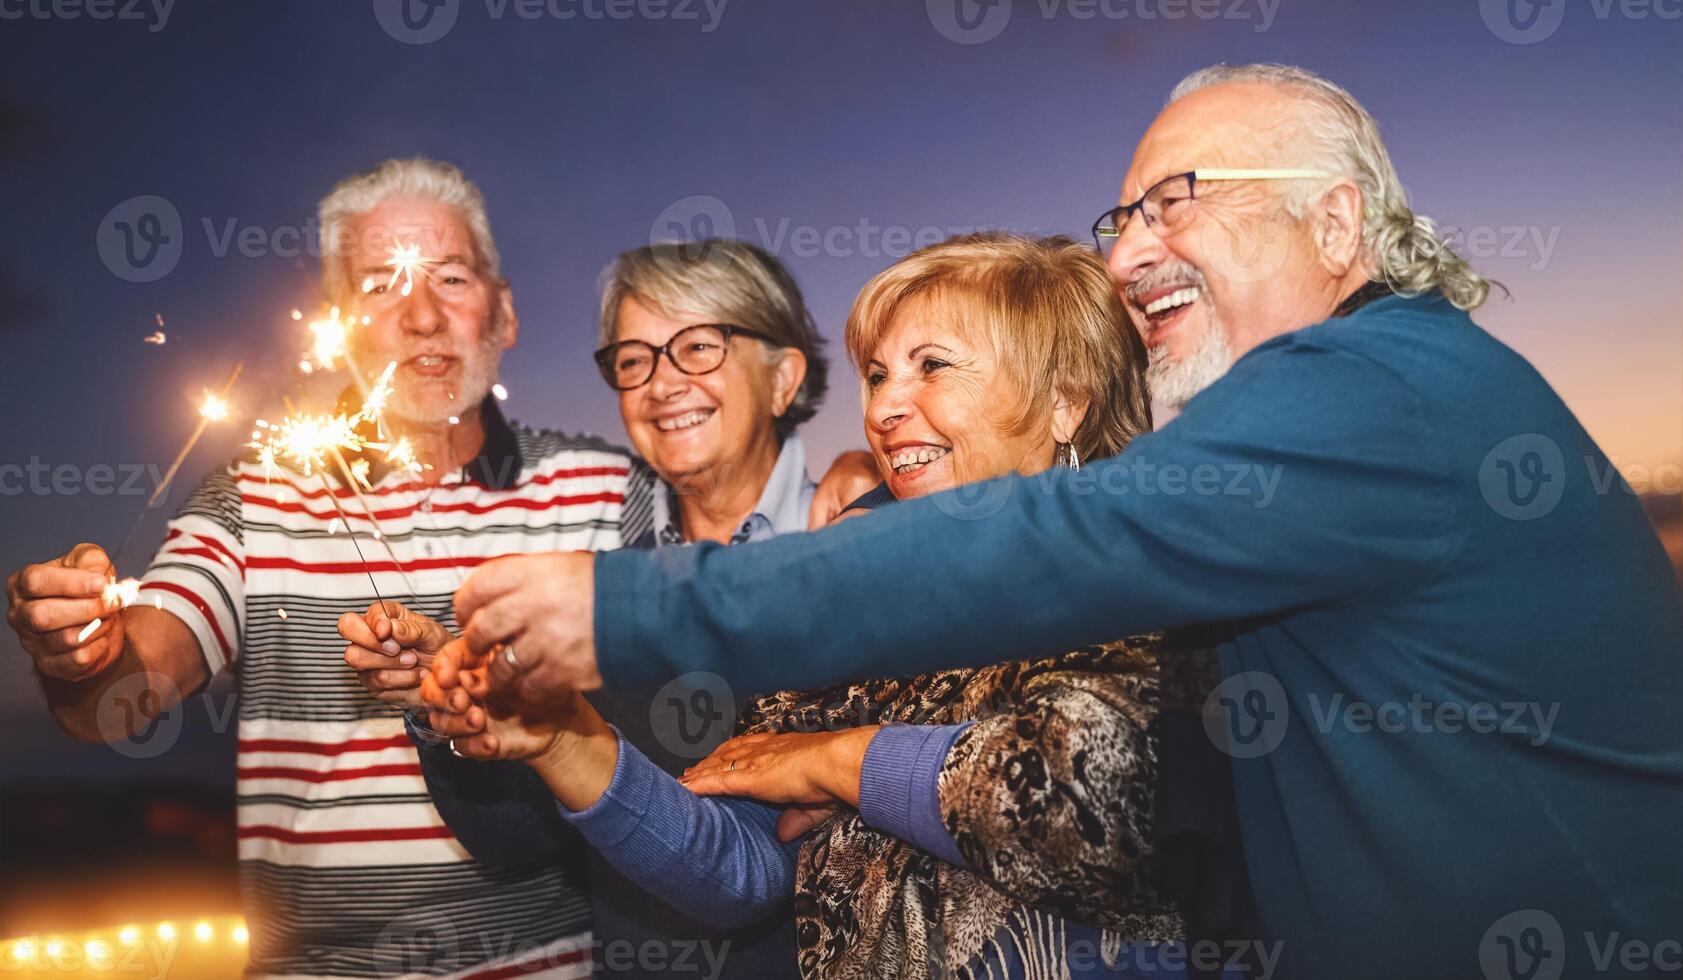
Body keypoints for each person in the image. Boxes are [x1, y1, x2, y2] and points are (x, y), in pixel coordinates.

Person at [438, 65, 1683, 979]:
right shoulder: (1290, 474)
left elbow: (1086, 729)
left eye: (1176, 200)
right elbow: (745, 858)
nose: (1131, 247)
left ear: (1338, 222)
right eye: (1123, 216)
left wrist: (634, 612)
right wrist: (561, 739)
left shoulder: (1372, 389)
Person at [3, 160, 874, 978]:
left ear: (503, 313)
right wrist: (78, 648)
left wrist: (845, 475)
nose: (420, 317)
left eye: (450, 279)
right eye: (380, 285)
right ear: (337, 319)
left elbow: (729, 547)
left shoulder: (606, 486)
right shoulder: (254, 498)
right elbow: (124, 692)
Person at [417, 233, 1236, 979]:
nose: (883, 408)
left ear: (1067, 401)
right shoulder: (851, 603)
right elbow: (744, 874)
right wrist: (565, 739)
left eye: (933, 366)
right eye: (879, 376)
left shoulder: (1143, 570)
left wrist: (834, 759)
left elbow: (1083, 806)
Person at [347, 237, 836, 979]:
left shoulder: (861, 550)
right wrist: (447, 702)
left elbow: (768, 865)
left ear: (782, 377)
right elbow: (515, 839)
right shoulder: (604, 590)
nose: (660, 383)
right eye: (634, 359)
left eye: (697, 347)